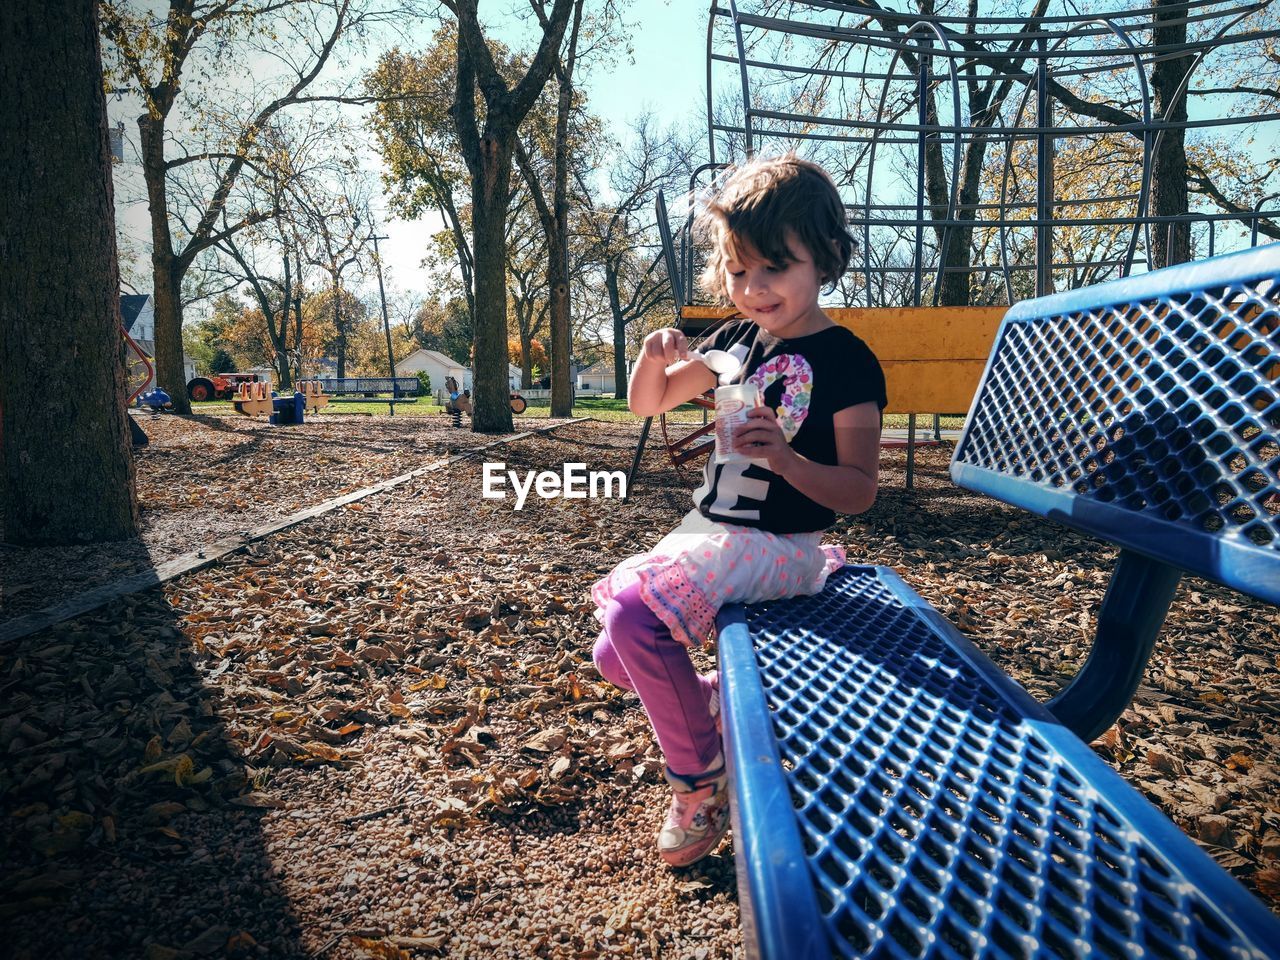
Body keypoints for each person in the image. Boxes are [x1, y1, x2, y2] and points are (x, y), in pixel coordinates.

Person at [590, 153, 887, 867]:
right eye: (737, 270)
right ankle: (716, 703)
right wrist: (653, 355)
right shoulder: (733, 344)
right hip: (717, 533)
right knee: (612, 652)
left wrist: (785, 459)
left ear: (826, 260)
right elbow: (648, 402)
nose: (752, 290)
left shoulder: (847, 360)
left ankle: (699, 782)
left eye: (774, 268)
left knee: (634, 618)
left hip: (782, 543)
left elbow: (860, 489)